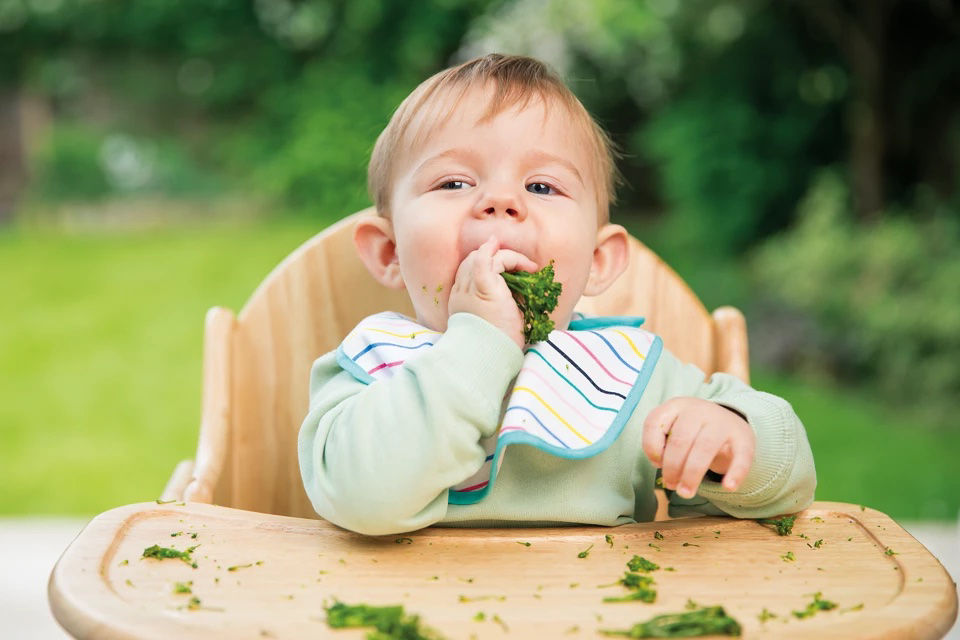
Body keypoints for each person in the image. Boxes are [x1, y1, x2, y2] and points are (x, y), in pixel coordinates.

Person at [298, 53, 816, 535]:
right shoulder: (370, 371)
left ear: (597, 261)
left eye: (542, 187)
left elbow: (790, 484)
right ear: (389, 252)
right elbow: (363, 496)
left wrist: (728, 438)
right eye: (454, 183)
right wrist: (480, 341)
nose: (500, 201)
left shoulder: (630, 377)